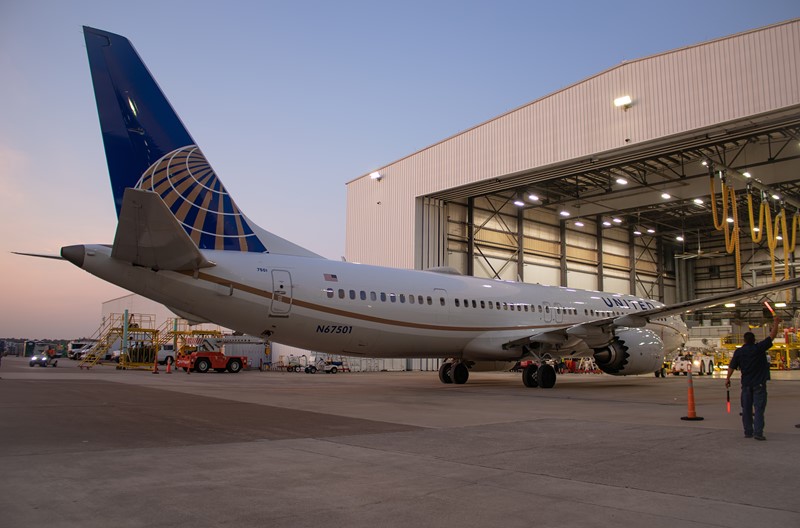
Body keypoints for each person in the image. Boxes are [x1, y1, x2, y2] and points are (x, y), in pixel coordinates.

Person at [725, 316, 780, 441]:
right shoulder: (759, 348)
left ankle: (748, 432)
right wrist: (776, 323)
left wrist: (727, 379)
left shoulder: (739, 352)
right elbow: (772, 335)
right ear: (754, 340)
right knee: (759, 409)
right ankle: (758, 433)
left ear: (744, 340)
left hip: (746, 385)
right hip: (759, 384)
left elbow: (732, 366)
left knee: (746, 409)